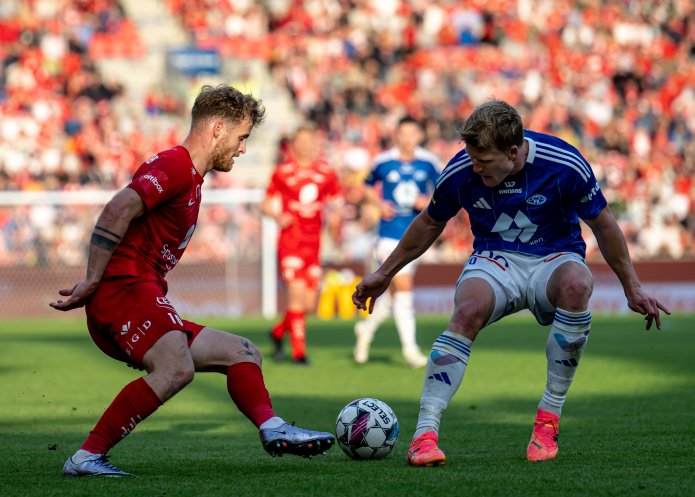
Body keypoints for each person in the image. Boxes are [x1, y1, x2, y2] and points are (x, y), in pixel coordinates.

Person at [352, 100, 670, 467]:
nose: (475, 168)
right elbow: (429, 222)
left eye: (484, 162)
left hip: (554, 256)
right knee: (467, 310)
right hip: (494, 258)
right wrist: (385, 273)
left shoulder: (563, 163)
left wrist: (632, 287)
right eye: (472, 159)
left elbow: (604, 224)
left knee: (577, 284)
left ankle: (547, 421)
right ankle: (424, 434)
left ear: (514, 151)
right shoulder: (461, 170)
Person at [50, 85, 334, 478]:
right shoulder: (176, 167)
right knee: (176, 369)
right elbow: (118, 206)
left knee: (244, 352)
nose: (243, 149)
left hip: (138, 289)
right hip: (123, 288)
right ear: (218, 129)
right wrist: (92, 278)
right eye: (241, 137)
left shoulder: (190, 175)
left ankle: (273, 427)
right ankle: (86, 457)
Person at [353, 116, 441, 368]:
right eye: (403, 133)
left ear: (419, 135)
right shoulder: (383, 161)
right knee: (404, 290)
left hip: (417, 236)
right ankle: (411, 351)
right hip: (388, 236)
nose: (407, 138)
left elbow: (443, 191)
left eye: (412, 133)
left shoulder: (429, 162)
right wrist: (378, 204)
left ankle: (365, 330)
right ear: (397, 135)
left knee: (391, 298)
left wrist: (427, 202)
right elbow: (367, 186)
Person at [261, 124, 342, 364]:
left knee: (307, 304)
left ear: (315, 144)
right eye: (301, 141)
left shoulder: (325, 172)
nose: (305, 146)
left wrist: (336, 215)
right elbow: (265, 203)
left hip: (313, 244)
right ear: (293, 144)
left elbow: (337, 200)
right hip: (290, 242)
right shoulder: (282, 172)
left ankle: (277, 333)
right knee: (296, 298)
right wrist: (277, 216)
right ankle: (299, 354)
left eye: (310, 141)